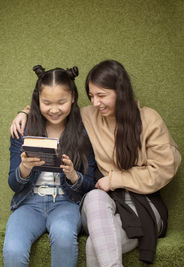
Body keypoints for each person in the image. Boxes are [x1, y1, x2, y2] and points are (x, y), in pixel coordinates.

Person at [10, 59, 182, 266]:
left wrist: (115, 179)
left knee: (93, 245)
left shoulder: (149, 119)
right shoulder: (89, 116)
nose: (95, 103)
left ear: (121, 91)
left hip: (141, 202)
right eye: (91, 96)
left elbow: (164, 168)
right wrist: (25, 112)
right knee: (94, 197)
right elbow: (53, 106)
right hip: (103, 201)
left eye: (101, 95)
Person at [3, 65, 97, 267]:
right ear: (38, 100)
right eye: (46, 102)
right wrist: (24, 169)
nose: (54, 109)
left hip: (66, 203)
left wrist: (73, 175)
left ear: (72, 97)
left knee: (63, 235)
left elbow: (90, 184)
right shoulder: (23, 130)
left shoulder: (83, 132)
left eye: (61, 102)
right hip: (29, 203)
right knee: (13, 249)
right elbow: (13, 183)